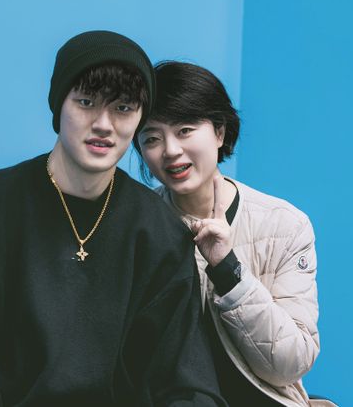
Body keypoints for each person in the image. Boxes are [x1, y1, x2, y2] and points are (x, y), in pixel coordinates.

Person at [0, 32, 226, 406]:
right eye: (86, 102)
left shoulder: (159, 232)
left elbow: (186, 381)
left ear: (139, 119)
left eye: (123, 108)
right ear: (58, 106)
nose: (104, 124)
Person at [134, 61, 322, 407]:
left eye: (185, 130)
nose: (171, 150)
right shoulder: (136, 226)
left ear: (219, 132)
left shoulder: (283, 225)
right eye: (152, 138)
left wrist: (228, 269)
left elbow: (292, 362)